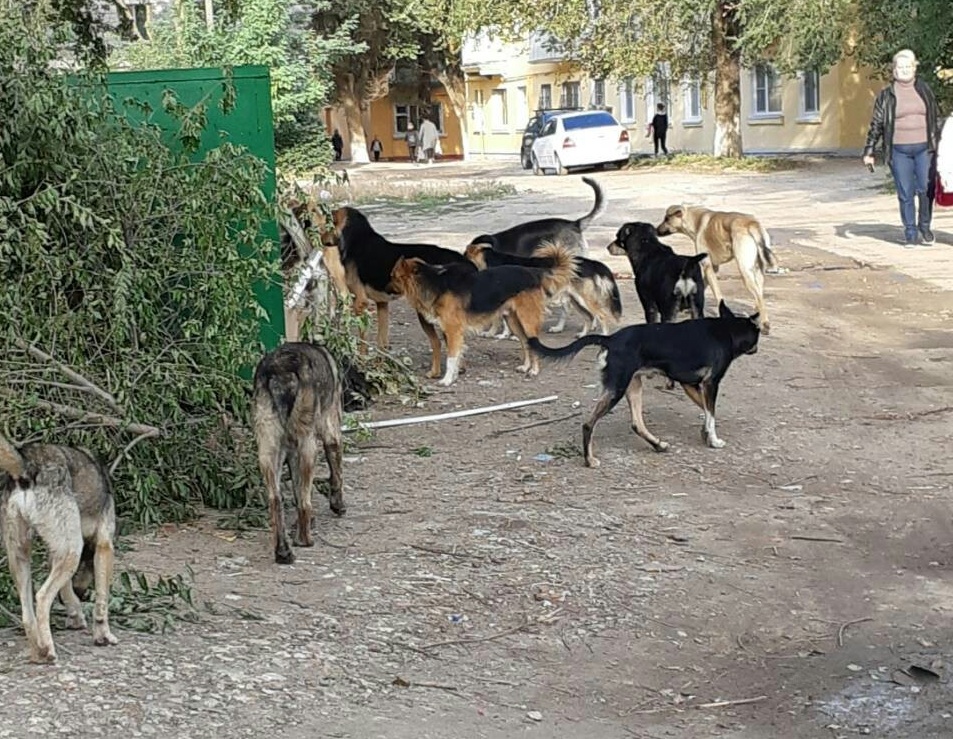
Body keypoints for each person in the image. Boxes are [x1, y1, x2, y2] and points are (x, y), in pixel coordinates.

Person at [863, 49, 942, 248]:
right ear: (894, 70)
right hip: (899, 150)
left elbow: (936, 117)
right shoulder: (887, 95)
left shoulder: (924, 89)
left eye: (908, 66)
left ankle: (924, 226)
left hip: (925, 148)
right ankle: (910, 233)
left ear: (914, 68)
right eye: (900, 67)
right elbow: (877, 124)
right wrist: (869, 151)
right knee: (905, 192)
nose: (904, 70)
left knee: (926, 188)